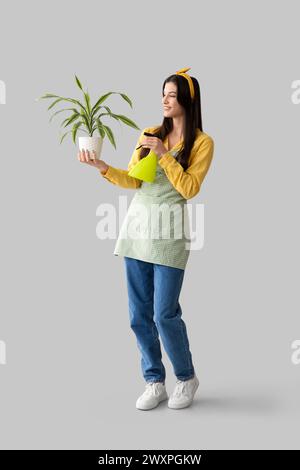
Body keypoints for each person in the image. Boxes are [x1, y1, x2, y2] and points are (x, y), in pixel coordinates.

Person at [78, 67, 214, 411]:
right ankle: (154, 380)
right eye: (163, 94)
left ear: (187, 100)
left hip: (170, 235)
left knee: (164, 314)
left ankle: (186, 378)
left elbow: (189, 188)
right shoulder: (150, 132)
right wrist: (104, 168)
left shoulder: (202, 142)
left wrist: (165, 156)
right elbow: (135, 181)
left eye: (171, 95)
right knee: (138, 314)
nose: (165, 100)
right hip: (136, 231)